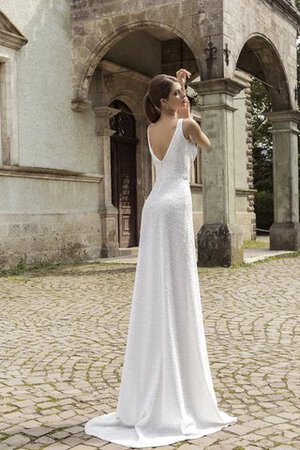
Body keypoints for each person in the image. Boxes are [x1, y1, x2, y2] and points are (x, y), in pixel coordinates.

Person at [85, 69, 237, 448]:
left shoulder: (152, 130)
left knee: (156, 287)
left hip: (155, 206)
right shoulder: (187, 126)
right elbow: (208, 145)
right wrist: (187, 110)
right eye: (177, 94)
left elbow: (170, 118)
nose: (183, 97)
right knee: (178, 286)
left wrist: (180, 88)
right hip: (174, 208)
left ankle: (154, 381)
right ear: (164, 102)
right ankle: (180, 391)